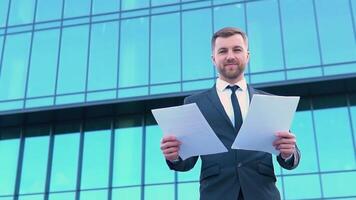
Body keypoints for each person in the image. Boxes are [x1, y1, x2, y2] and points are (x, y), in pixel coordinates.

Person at [160, 27, 300, 200]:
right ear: (213, 59)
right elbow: (186, 162)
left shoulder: (270, 101)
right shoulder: (194, 103)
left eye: (237, 49)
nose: (230, 56)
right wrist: (175, 156)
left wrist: (288, 152)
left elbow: (290, 157)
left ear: (247, 56)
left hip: (262, 194)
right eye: (223, 51)